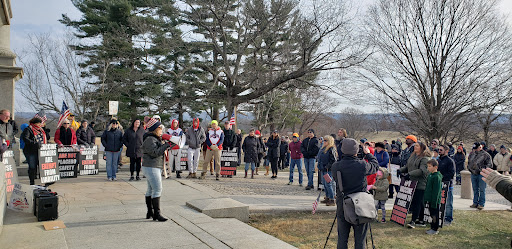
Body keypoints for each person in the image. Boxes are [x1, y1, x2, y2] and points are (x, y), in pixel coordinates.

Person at [332, 138, 379, 249]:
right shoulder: (361, 165)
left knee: (342, 239)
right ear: (356, 151)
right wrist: (368, 154)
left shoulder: (336, 166)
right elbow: (375, 166)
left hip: (343, 203)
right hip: (360, 204)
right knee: (360, 239)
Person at [142, 118, 171, 222]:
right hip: (152, 166)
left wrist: (165, 144)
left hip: (151, 166)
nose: (161, 130)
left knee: (150, 189)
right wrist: (166, 145)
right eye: (160, 128)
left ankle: (150, 212)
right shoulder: (150, 139)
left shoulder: (153, 138)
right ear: (155, 129)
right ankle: (157, 214)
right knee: (157, 189)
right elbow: (154, 152)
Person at [398, 142, 429, 229]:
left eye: (417, 146)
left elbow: (422, 171)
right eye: (415, 145)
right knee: (418, 202)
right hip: (412, 182)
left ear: (422, 148)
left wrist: (409, 174)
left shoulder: (424, 159)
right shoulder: (413, 156)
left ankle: (413, 220)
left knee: (418, 202)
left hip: (420, 183)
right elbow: (407, 166)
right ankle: (421, 219)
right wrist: (400, 170)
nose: (415, 147)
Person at [21, 117, 47, 185]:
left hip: (40, 150)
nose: (40, 124)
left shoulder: (41, 130)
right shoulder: (28, 129)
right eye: (39, 123)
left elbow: (46, 137)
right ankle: (32, 181)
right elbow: (25, 138)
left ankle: (44, 180)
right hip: (30, 151)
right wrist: (34, 143)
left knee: (41, 165)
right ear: (35, 123)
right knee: (32, 166)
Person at [467, 142, 492, 210]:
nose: (475, 150)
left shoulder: (486, 155)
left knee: (482, 189)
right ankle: (475, 202)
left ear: (479, 147)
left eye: (476, 148)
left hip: (481, 174)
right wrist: (470, 168)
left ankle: (481, 204)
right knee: (475, 189)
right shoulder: (472, 154)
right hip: (473, 173)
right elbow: (469, 162)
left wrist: (482, 170)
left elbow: (489, 164)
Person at [437, 145, 455, 225]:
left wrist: (441, 177)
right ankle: (440, 217)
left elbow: (451, 173)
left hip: (447, 185)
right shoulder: (438, 160)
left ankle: (448, 219)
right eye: (438, 149)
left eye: (441, 150)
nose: (439, 151)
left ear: (446, 151)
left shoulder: (450, 161)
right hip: (438, 184)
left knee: (448, 203)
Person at [424, 159, 442, 235]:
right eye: (427, 166)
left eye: (430, 166)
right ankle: (432, 226)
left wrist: (434, 202)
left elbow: (436, 191)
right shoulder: (430, 175)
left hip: (434, 201)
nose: (428, 168)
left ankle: (435, 228)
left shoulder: (437, 177)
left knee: (434, 214)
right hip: (429, 199)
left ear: (435, 167)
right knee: (431, 214)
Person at [317, 135, 337, 206]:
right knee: (325, 184)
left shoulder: (331, 149)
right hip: (323, 169)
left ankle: (332, 199)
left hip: (328, 170)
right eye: (324, 140)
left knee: (329, 184)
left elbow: (334, 160)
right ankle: (328, 197)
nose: (324, 142)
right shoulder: (323, 148)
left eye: (326, 140)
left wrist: (327, 166)